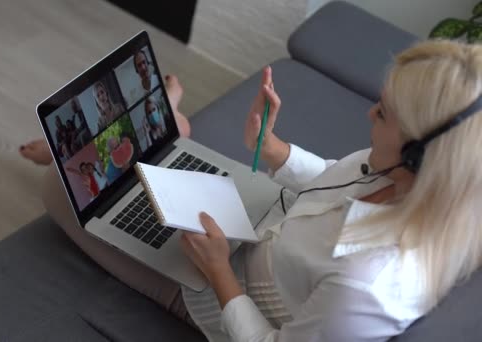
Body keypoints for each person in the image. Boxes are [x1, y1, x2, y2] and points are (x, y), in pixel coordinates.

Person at [39, 40, 482, 341]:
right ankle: (159, 127)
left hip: (218, 292)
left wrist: (217, 272)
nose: (369, 114)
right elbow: (335, 177)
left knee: (59, 189)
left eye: (383, 114)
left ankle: (144, 128)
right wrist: (272, 150)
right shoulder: (412, 178)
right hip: (258, 218)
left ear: (421, 155)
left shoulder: (365, 287)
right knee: (161, 156)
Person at [20, 75, 189, 164]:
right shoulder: (99, 122)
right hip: (113, 148)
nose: (102, 95)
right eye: (98, 94)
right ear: (97, 100)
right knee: (180, 128)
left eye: (103, 92)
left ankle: (168, 103)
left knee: (180, 128)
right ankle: (58, 155)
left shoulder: (119, 108)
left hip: (128, 144)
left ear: (107, 94)